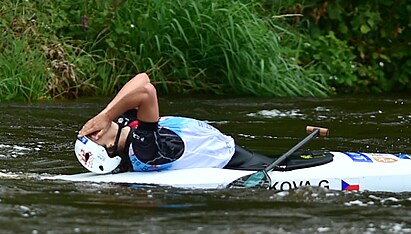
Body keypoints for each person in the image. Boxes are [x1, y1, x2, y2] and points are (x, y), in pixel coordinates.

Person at [75, 73, 272, 174]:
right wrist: (106, 115)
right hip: (234, 163)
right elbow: (147, 92)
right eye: (93, 137)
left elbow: (142, 77)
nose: (93, 129)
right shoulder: (143, 149)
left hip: (228, 148)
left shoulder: (126, 123)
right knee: (294, 165)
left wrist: (105, 114)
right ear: (110, 148)